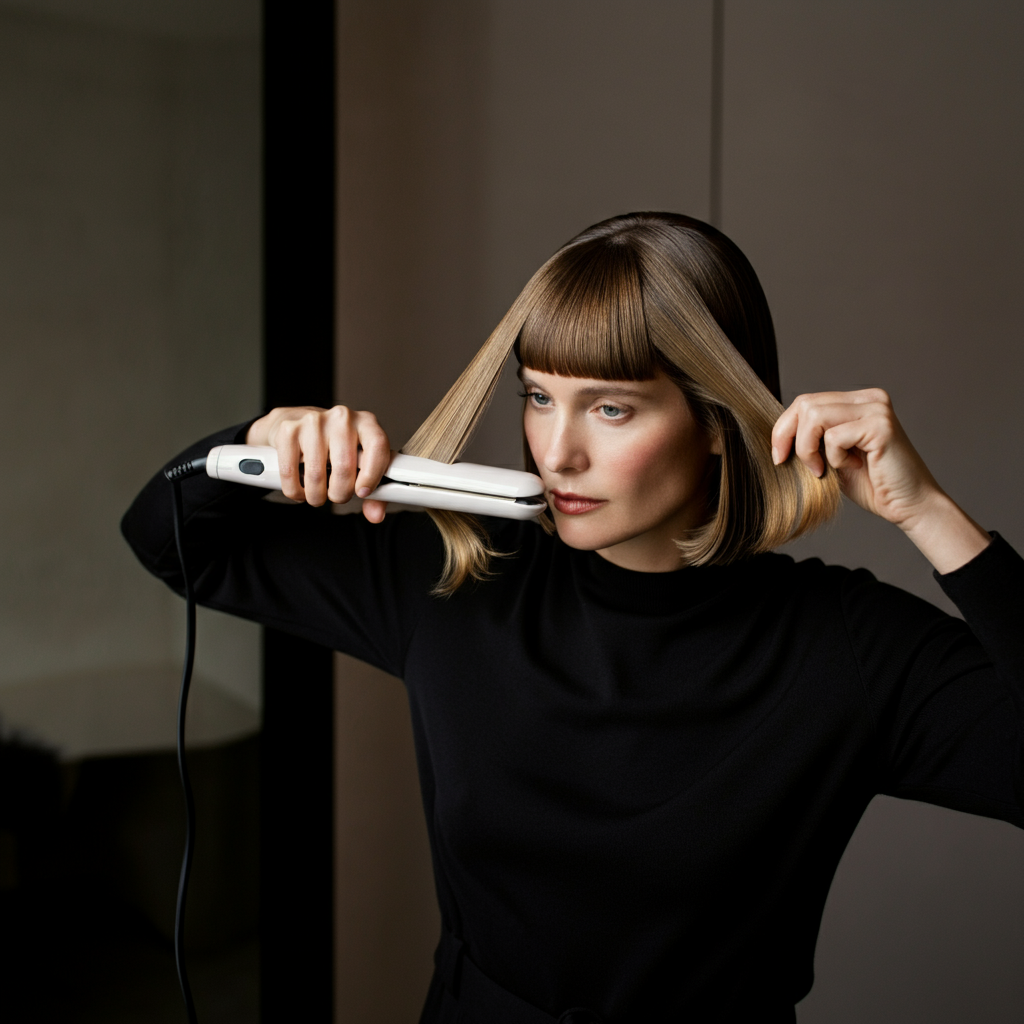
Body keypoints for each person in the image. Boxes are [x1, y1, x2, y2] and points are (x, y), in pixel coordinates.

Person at [122, 212, 1022, 1023]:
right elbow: (168, 538)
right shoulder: (453, 576)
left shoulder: (846, 648)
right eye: (539, 396)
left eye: (611, 407)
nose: (557, 452)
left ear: (718, 420)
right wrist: (261, 441)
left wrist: (932, 516)